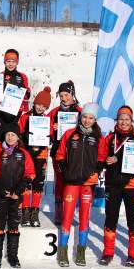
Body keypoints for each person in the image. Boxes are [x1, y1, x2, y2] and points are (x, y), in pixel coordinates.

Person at [99, 106, 134, 267]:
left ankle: (133, 255)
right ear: (117, 121)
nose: (123, 122)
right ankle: (108, 252)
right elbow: (101, 158)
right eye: (121, 119)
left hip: (133, 184)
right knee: (111, 218)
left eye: (127, 119)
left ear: (131, 121)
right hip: (113, 184)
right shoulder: (109, 139)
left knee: (133, 220)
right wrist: (107, 161)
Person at [55, 103, 106, 267]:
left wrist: (99, 166)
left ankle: (81, 252)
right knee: (68, 216)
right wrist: (62, 164)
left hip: (88, 183)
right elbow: (60, 153)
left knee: (84, 217)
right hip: (71, 181)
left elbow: (102, 156)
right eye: (84, 117)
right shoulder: (70, 134)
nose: (87, 120)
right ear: (80, 117)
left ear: (95, 119)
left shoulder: (99, 137)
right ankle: (62, 252)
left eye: (91, 118)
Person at [0, 123, 35, 268]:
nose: (10, 137)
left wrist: (19, 190)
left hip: (16, 196)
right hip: (2, 195)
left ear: (17, 137)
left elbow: (30, 174)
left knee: (14, 225)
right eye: (8, 134)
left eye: (13, 135)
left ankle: (13, 257)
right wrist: (1, 189)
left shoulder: (24, 154)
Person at [18, 86, 52, 227]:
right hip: (27, 153)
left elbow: (51, 137)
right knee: (27, 181)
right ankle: (25, 211)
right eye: (38, 104)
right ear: (34, 103)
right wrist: (24, 137)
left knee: (38, 182)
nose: (40, 108)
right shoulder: (25, 116)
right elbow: (18, 133)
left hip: (41, 154)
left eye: (44, 106)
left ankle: (34, 212)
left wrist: (49, 138)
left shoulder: (47, 119)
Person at [48, 80, 81, 225]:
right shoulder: (54, 112)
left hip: (75, 154)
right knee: (60, 182)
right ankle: (59, 214)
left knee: (72, 183)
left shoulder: (80, 112)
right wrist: (53, 128)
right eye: (61, 95)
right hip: (58, 153)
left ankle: (70, 212)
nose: (64, 98)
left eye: (66, 95)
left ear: (72, 95)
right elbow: (44, 130)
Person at [0, 49, 30, 142]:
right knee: (1, 138)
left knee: (13, 139)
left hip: (16, 114)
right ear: (4, 62)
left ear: (17, 62)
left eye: (13, 61)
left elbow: (28, 94)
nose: (10, 64)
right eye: (8, 61)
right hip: (1, 114)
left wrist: (22, 91)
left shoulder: (22, 77)